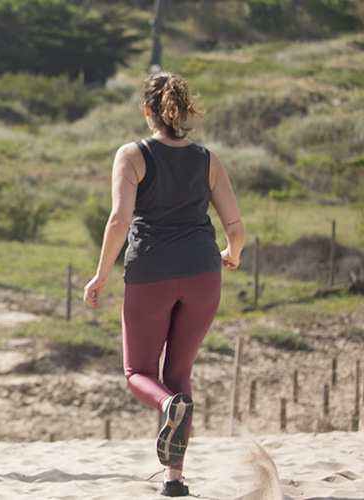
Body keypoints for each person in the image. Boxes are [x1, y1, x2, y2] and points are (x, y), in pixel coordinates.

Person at [84, 72, 245, 498]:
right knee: (179, 373)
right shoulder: (208, 159)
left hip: (151, 273)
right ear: (186, 109)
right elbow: (236, 225)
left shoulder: (133, 155)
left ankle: (167, 406)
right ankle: (174, 480)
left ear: (147, 110)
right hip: (203, 273)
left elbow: (120, 220)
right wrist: (234, 253)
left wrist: (101, 275)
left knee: (140, 373)